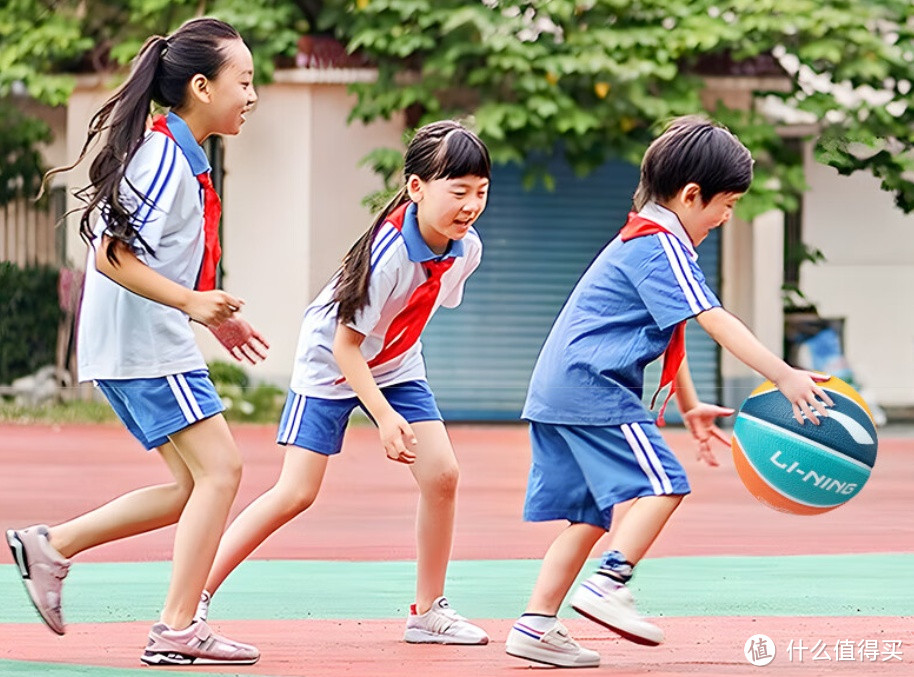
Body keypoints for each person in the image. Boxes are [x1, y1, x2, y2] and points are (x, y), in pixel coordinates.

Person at [505, 116, 832, 668]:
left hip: (559, 390)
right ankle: (608, 584)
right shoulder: (661, 245)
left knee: (589, 514)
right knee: (666, 482)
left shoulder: (646, 237)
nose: (727, 218)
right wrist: (783, 373)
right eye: (726, 205)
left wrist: (689, 404)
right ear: (690, 194)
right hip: (592, 386)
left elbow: (667, 327)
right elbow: (714, 319)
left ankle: (536, 625)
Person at [6, 17, 268, 666]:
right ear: (202, 87)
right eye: (246, 80)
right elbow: (112, 255)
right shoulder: (160, 157)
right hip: (145, 344)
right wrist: (190, 303)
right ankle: (179, 625)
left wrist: (208, 311)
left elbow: (150, 254)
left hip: (137, 342)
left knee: (190, 485)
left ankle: (52, 544)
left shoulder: (178, 154)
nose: (253, 94)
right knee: (223, 470)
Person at [196, 120, 492, 645]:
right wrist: (385, 418)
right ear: (417, 188)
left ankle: (427, 612)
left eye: (481, 191)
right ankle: (191, 595)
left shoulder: (465, 249)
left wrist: (395, 397)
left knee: (443, 475)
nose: (471, 204)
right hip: (331, 364)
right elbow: (345, 347)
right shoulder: (389, 255)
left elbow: (412, 320)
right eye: (459, 190)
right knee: (295, 492)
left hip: (396, 362)